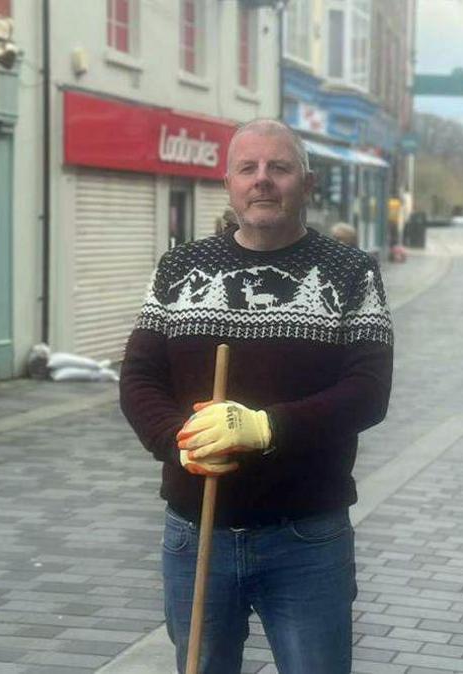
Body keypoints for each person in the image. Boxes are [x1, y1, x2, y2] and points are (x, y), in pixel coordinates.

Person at [119, 118, 394, 674]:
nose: (263, 180)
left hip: (307, 538)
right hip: (196, 532)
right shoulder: (179, 268)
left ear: (307, 184)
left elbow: (368, 393)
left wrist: (265, 428)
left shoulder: (352, 272)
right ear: (229, 184)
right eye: (248, 168)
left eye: (280, 167)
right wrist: (180, 442)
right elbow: (138, 379)